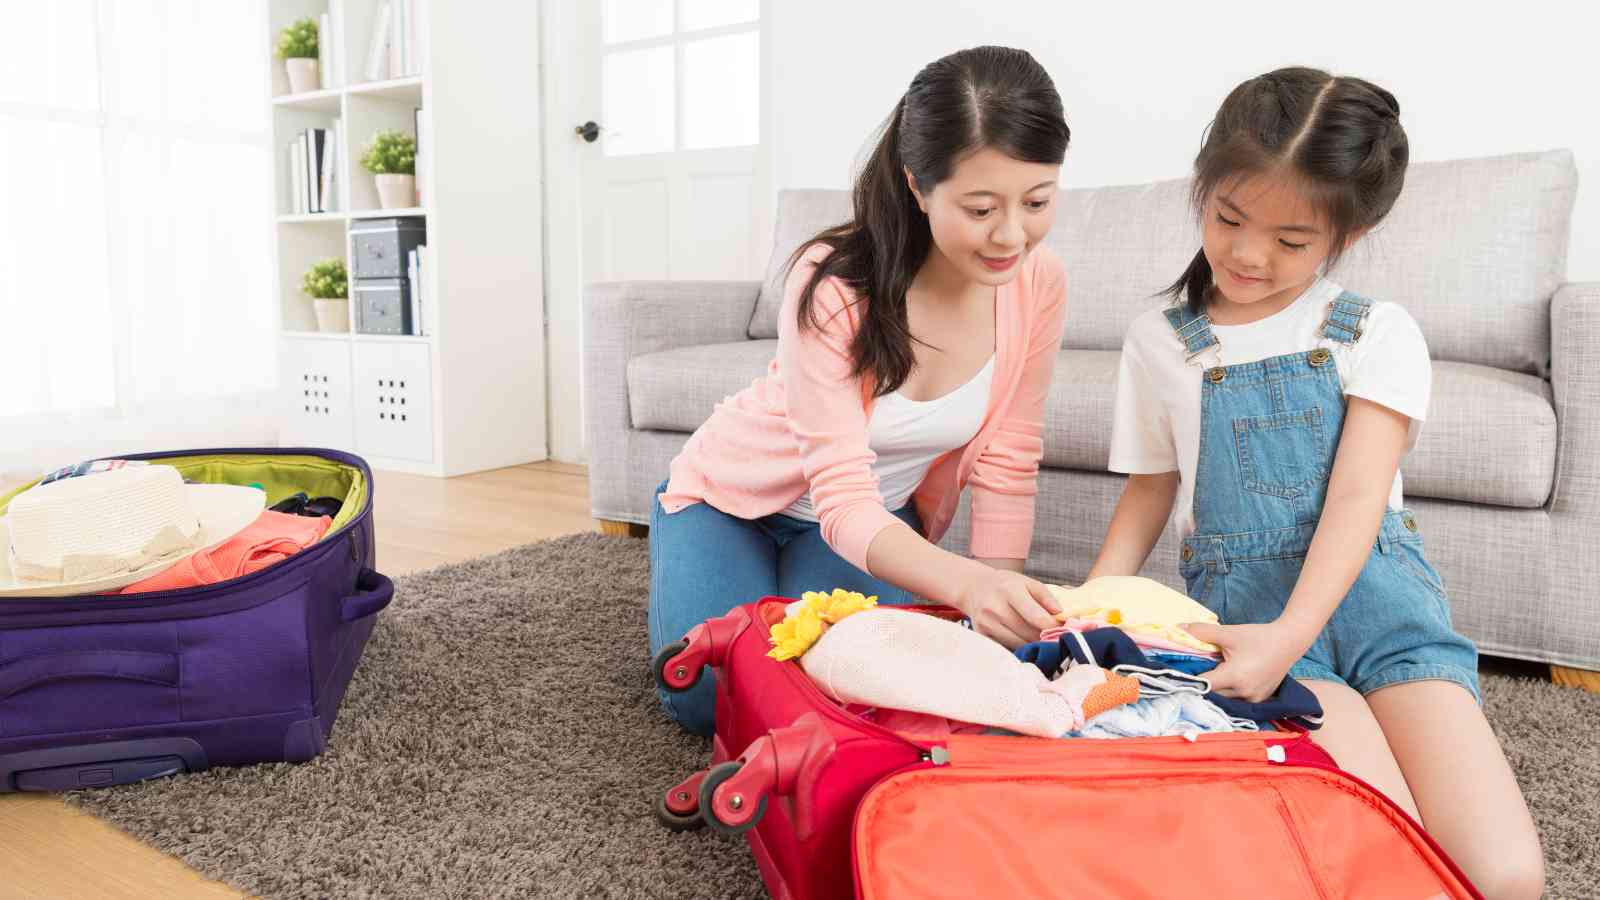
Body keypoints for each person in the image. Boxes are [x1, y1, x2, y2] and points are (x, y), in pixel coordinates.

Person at [1089, 66, 1543, 898]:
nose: (1248, 253)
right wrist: (1086, 609)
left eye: (1291, 240)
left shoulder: (1374, 330)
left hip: (1379, 608)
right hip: (1250, 615)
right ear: (1203, 186)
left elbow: (1358, 498)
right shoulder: (1160, 339)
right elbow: (1153, 487)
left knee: (1507, 876)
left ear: (1349, 233)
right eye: (1228, 217)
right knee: (1382, 852)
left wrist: (1292, 636)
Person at [649, 46, 1072, 735]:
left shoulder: (1038, 281)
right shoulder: (835, 282)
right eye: (980, 207)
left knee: (868, 684)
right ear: (917, 185)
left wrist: (1001, 620)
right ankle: (693, 559)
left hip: (866, 528)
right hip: (731, 504)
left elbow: (1009, 455)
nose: (1010, 235)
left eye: (1037, 202)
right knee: (710, 697)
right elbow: (841, 494)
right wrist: (963, 582)